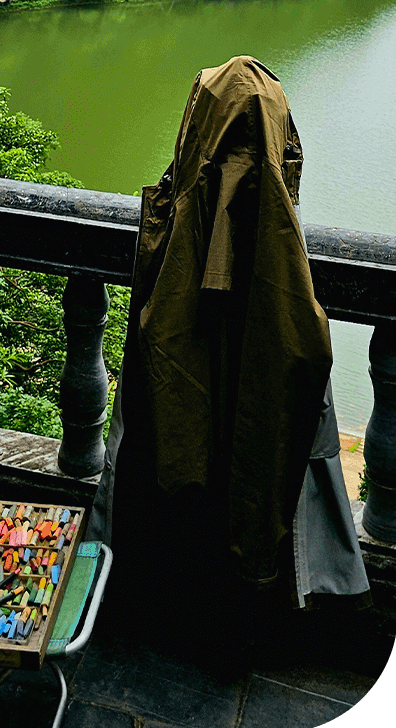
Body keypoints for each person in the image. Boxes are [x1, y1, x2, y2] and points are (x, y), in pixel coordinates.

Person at [86, 56, 370, 657]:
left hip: (180, 384)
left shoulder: (190, 208)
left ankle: (168, 608)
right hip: (247, 403)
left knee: (179, 474)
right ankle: (229, 622)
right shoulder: (271, 232)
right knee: (242, 488)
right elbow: (298, 347)